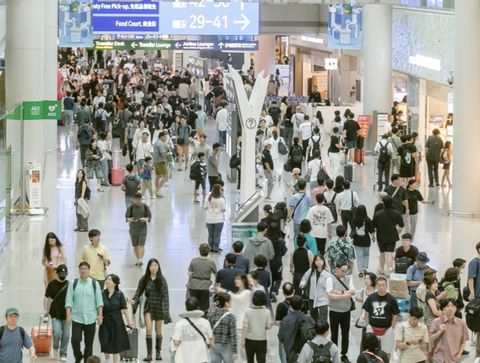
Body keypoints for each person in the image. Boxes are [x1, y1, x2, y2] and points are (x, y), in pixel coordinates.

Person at [132, 258, 172, 361]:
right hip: (148, 307)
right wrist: (134, 302)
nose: (153, 267)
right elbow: (138, 292)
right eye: (151, 265)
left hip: (159, 307)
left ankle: (158, 353)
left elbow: (165, 297)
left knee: (158, 330)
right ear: (148, 267)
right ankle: (149, 354)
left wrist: (166, 312)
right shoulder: (144, 279)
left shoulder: (162, 280)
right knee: (148, 329)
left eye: (155, 265)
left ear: (158, 267)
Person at [65, 262, 104, 363]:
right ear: (79, 270)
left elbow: (99, 301)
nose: (83, 270)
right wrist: (68, 315)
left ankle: (87, 361)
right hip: (77, 318)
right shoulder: (73, 283)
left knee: (89, 344)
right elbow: (69, 301)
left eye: (85, 268)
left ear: (89, 270)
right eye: (81, 268)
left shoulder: (94, 284)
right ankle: (78, 356)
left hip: (91, 318)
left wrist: (100, 315)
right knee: (75, 340)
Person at [99, 274, 133, 363]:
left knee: (116, 345)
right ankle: (107, 358)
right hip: (105, 321)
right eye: (107, 279)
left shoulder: (120, 294)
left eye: (110, 279)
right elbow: (99, 306)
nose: (107, 281)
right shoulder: (102, 293)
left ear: (115, 283)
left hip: (117, 321)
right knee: (104, 341)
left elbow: (124, 308)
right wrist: (99, 316)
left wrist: (129, 321)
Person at [363, 277, 400, 356]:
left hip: (387, 330)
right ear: (376, 286)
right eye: (379, 285)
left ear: (387, 286)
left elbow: (396, 314)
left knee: (386, 352)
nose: (381, 287)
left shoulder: (392, 299)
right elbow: (366, 311)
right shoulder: (371, 297)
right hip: (372, 328)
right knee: (370, 351)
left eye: (383, 285)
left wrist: (392, 327)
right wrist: (367, 324)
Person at [326, 261, 355, 363]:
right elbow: (330, 296)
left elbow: (353, 291)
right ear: (337, 269)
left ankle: (344, 354)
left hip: (346, 311)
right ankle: (334, 354)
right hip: (334, 311)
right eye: (342, 271)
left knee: (345, 334)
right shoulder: (330, 279)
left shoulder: (348, 279)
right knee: (334, 334)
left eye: (346, 271)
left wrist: (339, 292)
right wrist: (346, 295)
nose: (344, 273)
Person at [173, 297, 214, 363]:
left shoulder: (179, 324)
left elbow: (176, 343)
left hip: (185, 358)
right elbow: (211, 339)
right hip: (202, 358)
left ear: (186, 308)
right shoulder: (205, 322)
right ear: (198, 307)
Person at [373, 196, 405, 277]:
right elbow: (401, 225)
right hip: (392, 236)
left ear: (383, 203)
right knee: (389, 254)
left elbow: (374, 225)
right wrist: (397, 231)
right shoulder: (396, 213)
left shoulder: (378, 214)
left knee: (382, 253)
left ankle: (381, 269)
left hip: (381, 236)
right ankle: (389, 271)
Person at [44, 264, 70, 362]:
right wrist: (46, 311)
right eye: (61, 273)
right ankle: (55, 346)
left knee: (66, 334)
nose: (63, 275)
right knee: (57, 332)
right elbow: (48, 299)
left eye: (64, 273)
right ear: (57, 273)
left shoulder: (69, 285)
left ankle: (63, 353)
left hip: (67, 314)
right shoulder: (52, 284)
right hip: (55, 313)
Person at [278, 295, 315, 363]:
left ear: (291, 306)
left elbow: (281, 337)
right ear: (302, 306)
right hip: (305, 355)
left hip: (290, 355)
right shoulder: (308, 319)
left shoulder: (285, 320)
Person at [241, 290, 273, 363]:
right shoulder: (267, 312)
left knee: (250, 360)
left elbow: (245, 326)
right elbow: (269, 327)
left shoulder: (247, 311)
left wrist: (243, 340)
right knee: (261, 360)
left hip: (249, 340)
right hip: (262, 340)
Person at [300, 254, 331, 324]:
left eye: (320, 260)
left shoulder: (327, 273)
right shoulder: (311, 271)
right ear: (314, 262)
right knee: (313, 317)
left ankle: (322, 330)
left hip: (323, 298)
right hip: (312, 297)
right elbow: (304, 278)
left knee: (323, 317)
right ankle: (315, 330)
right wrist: (302, 283)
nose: (319, 262)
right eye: (317, 260)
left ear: (323, 261)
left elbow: (329, 286)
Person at [188, 243, 217, 314]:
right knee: (204, 308)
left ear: (199, 250)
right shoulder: (211, 262)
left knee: (193, 306)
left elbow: (189, 273)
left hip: (194, 286)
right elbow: (216, 274)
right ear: (209, 251)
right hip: (205, 287)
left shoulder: (194, 260)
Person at [208, 293, 238, 363]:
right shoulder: (231, 316)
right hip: (226, 345)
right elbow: (233, 335)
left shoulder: (211, 314)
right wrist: (235, 351)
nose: (231, 302)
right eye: (230, 300)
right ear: (226, 303)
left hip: (214, 345)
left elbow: (209, 331)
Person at [126, 192, 152, 266]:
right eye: (136, 200)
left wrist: (145, 219)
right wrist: (130, 219)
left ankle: (140, 259)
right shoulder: (131, 208)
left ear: (141, 199)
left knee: (141, 244)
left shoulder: (145, 207)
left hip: (142, 228)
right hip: (133, 229)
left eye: (139, 200)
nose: (138, 201)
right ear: (134, 200)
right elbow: (127, 217)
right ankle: (138, 259)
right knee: (135, 246)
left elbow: (149, 217)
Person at [350, 205, 375, 277]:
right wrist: (373, 237)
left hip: (357, 240)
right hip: (366, 240)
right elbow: (372, 230)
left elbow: (353, 229)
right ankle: (365, 268)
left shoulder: (354, 219)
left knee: (359, 256)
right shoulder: (368, 220)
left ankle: (360, 271)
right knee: (366, 255)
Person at [266, 222, 288, 301]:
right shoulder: (281, 241)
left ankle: (269, 292)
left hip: (268, 262)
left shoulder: (266, 240)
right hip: (278, 262)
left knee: (270, 278)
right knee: (278, 278)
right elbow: (284, 252)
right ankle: (274, 291)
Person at [275, 282, 296, 363]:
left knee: (284, 357)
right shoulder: (300, 302)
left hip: (285, 335)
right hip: (297, 334)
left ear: (283, 293)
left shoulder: (281, 306)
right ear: (294, 291)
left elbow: (277, 323)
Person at [153, 131, 170, 197]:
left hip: (156, 162)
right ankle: (157, 190)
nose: (166, 138)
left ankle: (157, 192)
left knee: (158, 176)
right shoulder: (160, 144)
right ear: (161, 136)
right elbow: (163, 154)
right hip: (161, 162)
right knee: (165, 177)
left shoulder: (156, 142)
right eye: (165, 136)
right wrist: (168, 154)